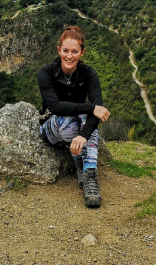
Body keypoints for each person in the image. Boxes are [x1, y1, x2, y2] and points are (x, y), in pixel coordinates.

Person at [37, 25, 110, 208]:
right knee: (71, 119)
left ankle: (90, 177)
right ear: (58, 50)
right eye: (65, 51)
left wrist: (83, 135)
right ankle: (80, 163)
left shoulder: (89, 74)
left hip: (77, 130)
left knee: (87, 119)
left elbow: (97, 114)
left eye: (75, 51)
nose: (69, 56)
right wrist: (91, 107)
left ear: (82, 52)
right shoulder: (46, 72)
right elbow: (55, 106)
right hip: (52, 127)